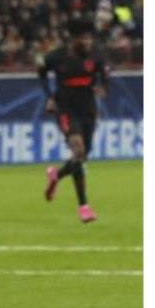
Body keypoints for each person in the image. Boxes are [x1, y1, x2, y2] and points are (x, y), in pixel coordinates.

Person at [38, 18, 107, 223]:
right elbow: (41, 71)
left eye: (89, 38)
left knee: (82, 156)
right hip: (66, 110)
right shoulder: (57, 56)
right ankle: (84, 206)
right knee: (78, 151)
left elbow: (104, 74)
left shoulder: (96, 54)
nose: (87, 42)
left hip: (88, 110)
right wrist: (49, 96)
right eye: (83, 38)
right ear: (74, 39)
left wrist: (103, 86)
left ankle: (56, 176)